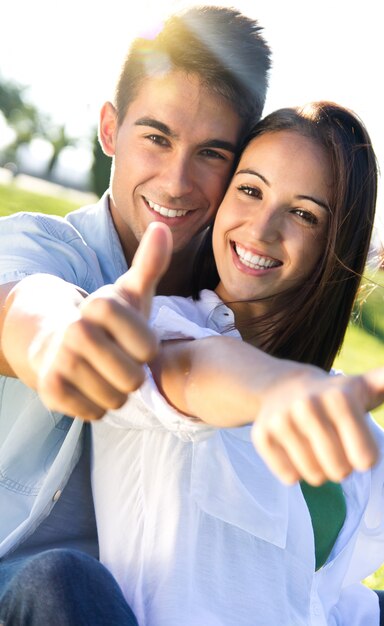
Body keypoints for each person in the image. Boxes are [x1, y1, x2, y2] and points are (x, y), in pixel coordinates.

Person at [90, 103, 384, 626]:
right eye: (250, 190)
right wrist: (277, 389)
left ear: (333, 243)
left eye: (303, 213)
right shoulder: (166, 331)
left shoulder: (347, 419)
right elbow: (192, 373)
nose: (262, 227)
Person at [0, 6, 271, 625]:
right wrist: (59, 346)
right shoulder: (47, 248)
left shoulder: (232, 298)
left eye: (211, 153)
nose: (176, 183)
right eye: (156, 138)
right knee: (64, 581)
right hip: (25, 585)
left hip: (176, 602)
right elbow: (21, 305)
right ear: (109, 129)